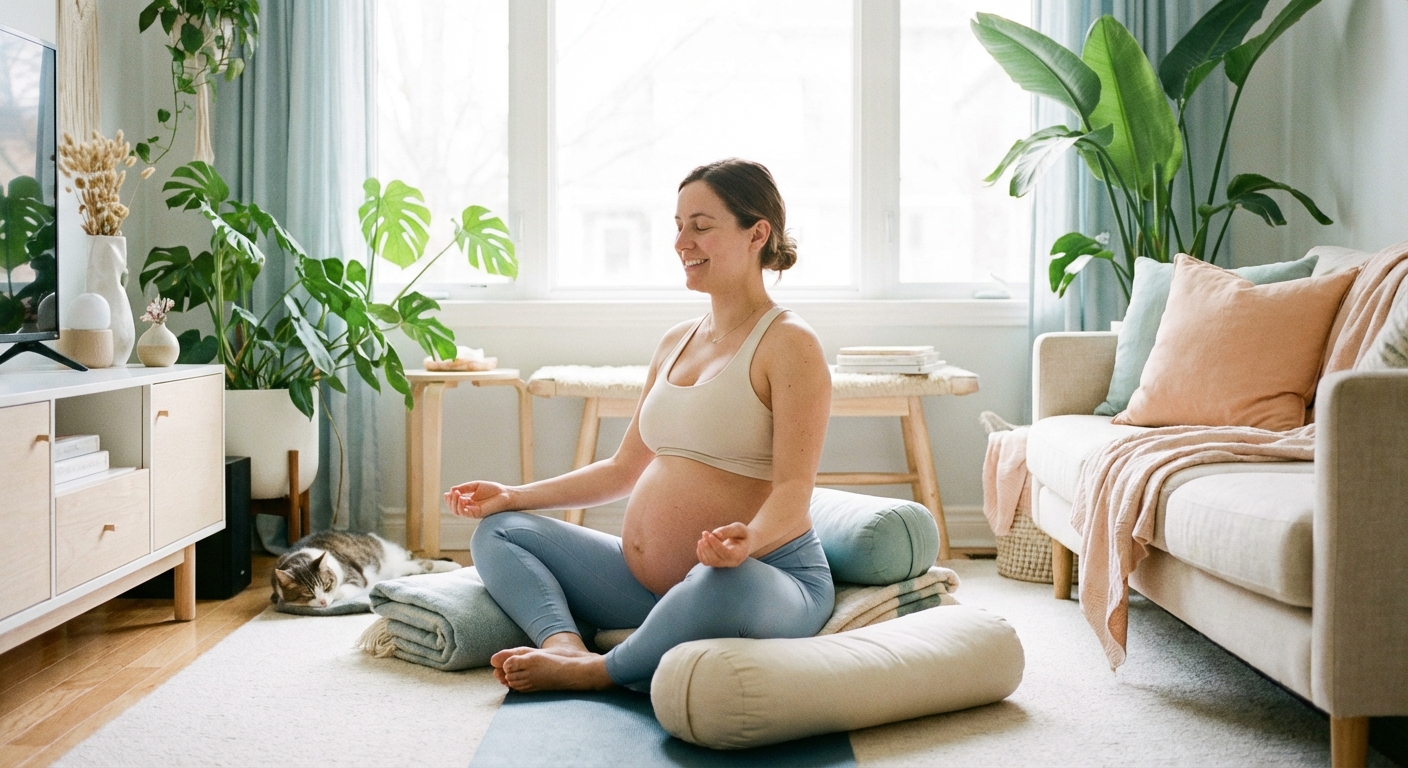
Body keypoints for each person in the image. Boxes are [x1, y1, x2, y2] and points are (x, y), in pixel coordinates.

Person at [445, 158, 833, 692]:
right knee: (500, 531)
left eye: (700, 226)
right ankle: (564, 643)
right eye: (678, 226)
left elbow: (793, 493)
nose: (681, 242)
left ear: (756, 233)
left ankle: (602, 671)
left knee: (722, 582)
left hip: (763, 578)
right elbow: (622, 469)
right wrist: (511, 494)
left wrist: (748, 543)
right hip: (648, 586)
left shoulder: (791, 343)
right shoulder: (675, 341)